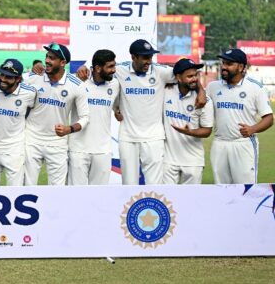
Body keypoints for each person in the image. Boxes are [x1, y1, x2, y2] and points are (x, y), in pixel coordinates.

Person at [78, 39, 206, 185]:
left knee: (154, 185)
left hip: (154, 137)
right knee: (129, 184)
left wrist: (201, 90)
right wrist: (83, 67)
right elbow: (96, 71)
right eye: (145, 57)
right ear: (133, 57)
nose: (149, 61)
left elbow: (187, 74)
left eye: (150, 57)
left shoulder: (160, 72)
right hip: (128, 137)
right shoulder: (120, 70)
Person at [23, 42, 89, 185]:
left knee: (57, 189)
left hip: (57, 142)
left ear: (63, 62)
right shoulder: (34, 78)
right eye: (47, 57)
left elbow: (85, 117)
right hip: (31, 140)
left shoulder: (77, 85)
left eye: (52, 58)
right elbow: (10, 82)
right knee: (27, 187)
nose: (47, 60)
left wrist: (69, 129)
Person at [207, 49, 273, 184]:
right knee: (221, 190)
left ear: (241, 67)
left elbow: (269, 118)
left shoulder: (255, 88)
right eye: (223, 63)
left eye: (229, 64)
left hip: (243, 143)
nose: (224, 67)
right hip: (219, 143)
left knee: (246, 190)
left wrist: (253, 129)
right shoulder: (213, 87)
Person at [68, 49, 120, 186]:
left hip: (103, 151)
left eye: (114, 66)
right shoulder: (78, 80)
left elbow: (117, 107)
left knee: (99, 198)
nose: (114, 70)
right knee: (76, 197)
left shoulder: (115, 85)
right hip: (78, 150)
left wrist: (118, 112)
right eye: (110, 66)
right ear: (97, 68)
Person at [162, 58, 214, 184]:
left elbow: (207, 131)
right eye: (190, 76)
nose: (195, 79)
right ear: (178, 78)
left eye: (196, 75)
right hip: (168, 160)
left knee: (190, 201)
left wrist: (189, 132)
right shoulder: (165, 91)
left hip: (193, 161)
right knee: (166, 198)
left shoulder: (204, 100)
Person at [0, 58, 36, 186]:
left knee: (15, 193)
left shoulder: (29, 93)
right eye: (2, 74)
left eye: (9, 77)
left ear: (18, 79)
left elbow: (30, 110)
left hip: (14, 150)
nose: (3, 79)